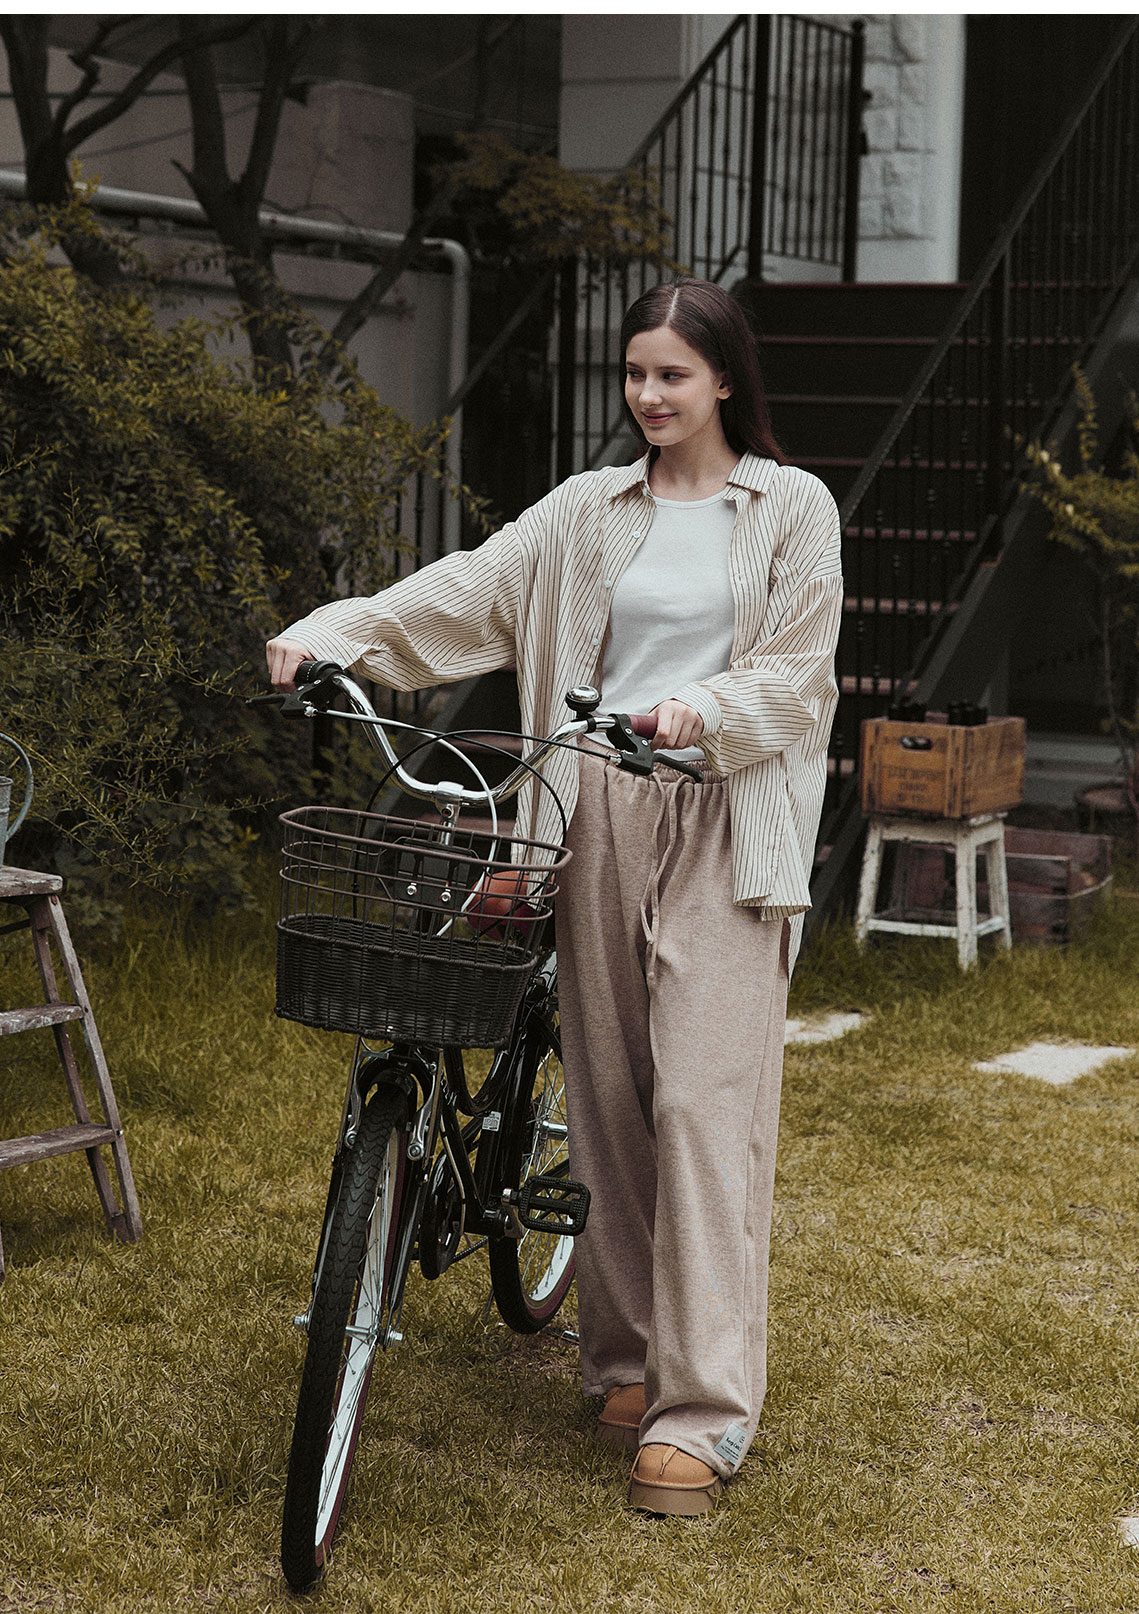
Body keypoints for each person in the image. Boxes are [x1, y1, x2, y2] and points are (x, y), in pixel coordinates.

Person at [267, 277, 842, 1515]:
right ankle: (628, 1362)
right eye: (636, 373)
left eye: (672, 375)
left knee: (701, 1103)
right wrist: (336, 630)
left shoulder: (793, 507)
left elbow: (799, 676)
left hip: (723, 806)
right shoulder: (588, 509)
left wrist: (701, 707)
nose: (649, 395)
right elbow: (471, 587)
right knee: (610, 1102)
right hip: (589, 810)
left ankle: (704, 1414)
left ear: (724, 379)